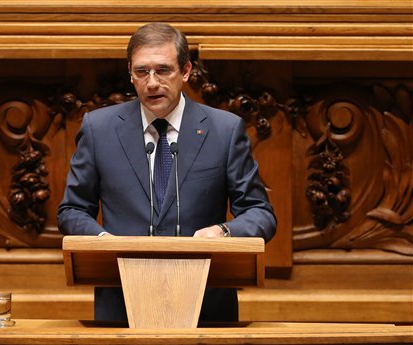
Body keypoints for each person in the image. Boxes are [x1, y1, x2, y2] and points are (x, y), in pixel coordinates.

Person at [58, 22, 277, 322]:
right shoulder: (99, 129)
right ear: (130, 73)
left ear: (185, 71)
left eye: (163, 70)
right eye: (141, 71)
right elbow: (71, 210)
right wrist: (103, 241)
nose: (151, 83)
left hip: (206, 304)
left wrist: (223, 231)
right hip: (121, 303)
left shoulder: (224, 130)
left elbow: (260, 213)